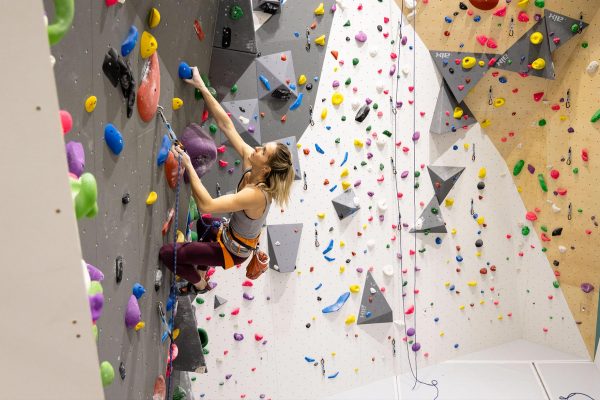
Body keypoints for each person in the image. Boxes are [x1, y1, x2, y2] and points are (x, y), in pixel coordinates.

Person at [159, 66, 295, 294]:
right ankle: (201, 270)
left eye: (263, 151)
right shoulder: (253, 162)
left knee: (167, 254)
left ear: (267, 168)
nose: (257, 148)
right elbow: (226, 125)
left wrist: (188, 164)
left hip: (232, 251)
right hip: (228, 233)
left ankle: (200, 285)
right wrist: (201, 85)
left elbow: (207, 204)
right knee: (203, 224)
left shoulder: (256, 195)